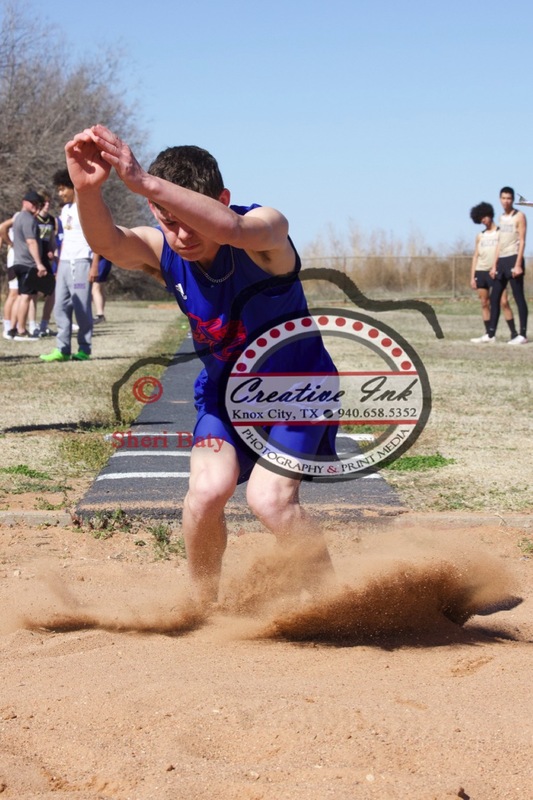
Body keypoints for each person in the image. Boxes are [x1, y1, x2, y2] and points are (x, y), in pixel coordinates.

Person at [65, 123, 337, 607]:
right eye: (168, 221)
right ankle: (201, 601)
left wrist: (144, 179)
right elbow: (108, 242)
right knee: (207, 493)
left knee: (270, 502)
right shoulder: (163, 248)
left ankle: (334, 599)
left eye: (192, 218)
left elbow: (231, 229)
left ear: (223, 198)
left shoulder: (265, 230)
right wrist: (88, 191)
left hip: (298, 388)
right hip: (226, 394)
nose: (183, 234)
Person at [40, 169, 99, 362]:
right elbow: (64, 240)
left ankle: (84, 348)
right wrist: (58, 265)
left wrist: (94, 265)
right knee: (60, 306)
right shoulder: (64, 211)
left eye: (63, 189)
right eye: (58, 189)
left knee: (81, 305)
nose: (60, 193)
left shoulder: (86, 208)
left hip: (82, 263)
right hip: (64, 264)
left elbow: (97, 239)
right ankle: (62, 349)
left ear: (73, 187)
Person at [483, 187, 528, 344]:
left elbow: (522, 240)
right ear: (500, 199)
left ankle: (522, 334)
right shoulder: (502, 218)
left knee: (518, 297)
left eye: (509, 198)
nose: (506, 201)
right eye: (503, 198)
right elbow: (500, 242)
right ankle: (491, 334)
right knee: (494, 297)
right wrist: (495, 265)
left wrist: (518, 264)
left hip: (514, 258)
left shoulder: (520, 216)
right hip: (501, 261)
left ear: (512, 199)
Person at [469, 202, 518, 343]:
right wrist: (473, 277)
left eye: (484, 216)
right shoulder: (480, 236)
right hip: (481, 271)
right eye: (480, 219)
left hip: (496, 272)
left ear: (490, 214)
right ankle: (489, 334)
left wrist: (497, 267)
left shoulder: (500, 232)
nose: (483, 220)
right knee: (484, 302)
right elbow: (475, 256)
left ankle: (514, 333)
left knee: (503, 302)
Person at [10, 191, 48, 341]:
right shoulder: (27, 219)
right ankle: (21, 330)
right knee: (26, 297)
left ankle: (12, 328)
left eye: (37, 204)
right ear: (25, 202)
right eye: (33, 203)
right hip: (27, 263)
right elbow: (31, 242)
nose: (35, 206)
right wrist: (39, 264)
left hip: (18, 262)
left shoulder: (18, 217)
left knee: (21, 296)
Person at [91, 256, 112, 323]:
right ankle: (100, 314)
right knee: (99, 288)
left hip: (100, 262)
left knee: (95, 288)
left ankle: (100, 314)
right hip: (105, 261)